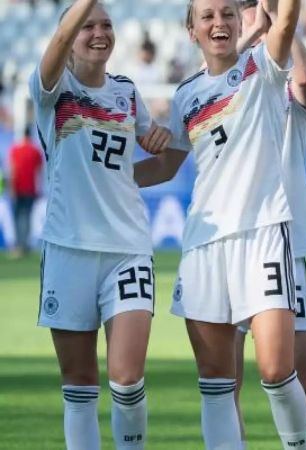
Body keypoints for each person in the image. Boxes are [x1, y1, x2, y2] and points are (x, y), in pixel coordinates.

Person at [133, 0, 306, 448]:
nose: (219, 22)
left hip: (265, 234)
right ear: (192, 30)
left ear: (239, 21)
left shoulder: (263, 66)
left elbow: (286, 18)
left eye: (227, 14)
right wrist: (110, 178)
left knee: (275, 371)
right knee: (216, 384)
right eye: (207, 16)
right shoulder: (186, 94)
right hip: (205, 246)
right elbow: (166, 167)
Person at [30, 1, 171, 448]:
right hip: (68, 251)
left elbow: (161, 166)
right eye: (87, 25)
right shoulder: (51, 91)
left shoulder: (126, 92)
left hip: (127, 250)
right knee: (79, 388)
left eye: (106, 25)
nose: (99, 33)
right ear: (70, 37)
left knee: (127, 380)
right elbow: (53, 45)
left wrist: (162, 144)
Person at [231, 1, 306, 449]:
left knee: (301, 377)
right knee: (225, 384)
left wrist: (280, 28)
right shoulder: (219, 94)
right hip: (228, 249)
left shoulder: (288, 105)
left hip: (284, 251)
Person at [7, 126, 43, 258]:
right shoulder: (35, 151)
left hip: (17, 189)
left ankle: (19, 246)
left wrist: (11, 189)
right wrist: (39, 189)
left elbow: (13, 171)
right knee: (26, 217)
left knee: (17, 218)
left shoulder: (15, 150)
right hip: (30, 189)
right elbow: (39, 172)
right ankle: (24, 245)